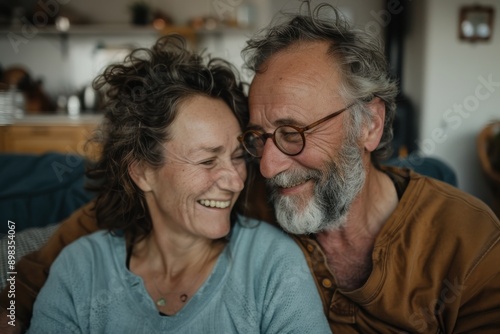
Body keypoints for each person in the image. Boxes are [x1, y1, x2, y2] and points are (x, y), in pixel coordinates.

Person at [2, 2, 500, 333]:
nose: (267, 164)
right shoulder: (237, 195)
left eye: (293, 132)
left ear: (369, 124)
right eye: (257, 138)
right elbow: (52, 265)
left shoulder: (470, 244)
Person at [17, 35, 331, 333]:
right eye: (207, 160)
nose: (236, 181)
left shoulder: (272, 263)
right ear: (141, 172)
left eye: (238, 157)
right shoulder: (80, 269)